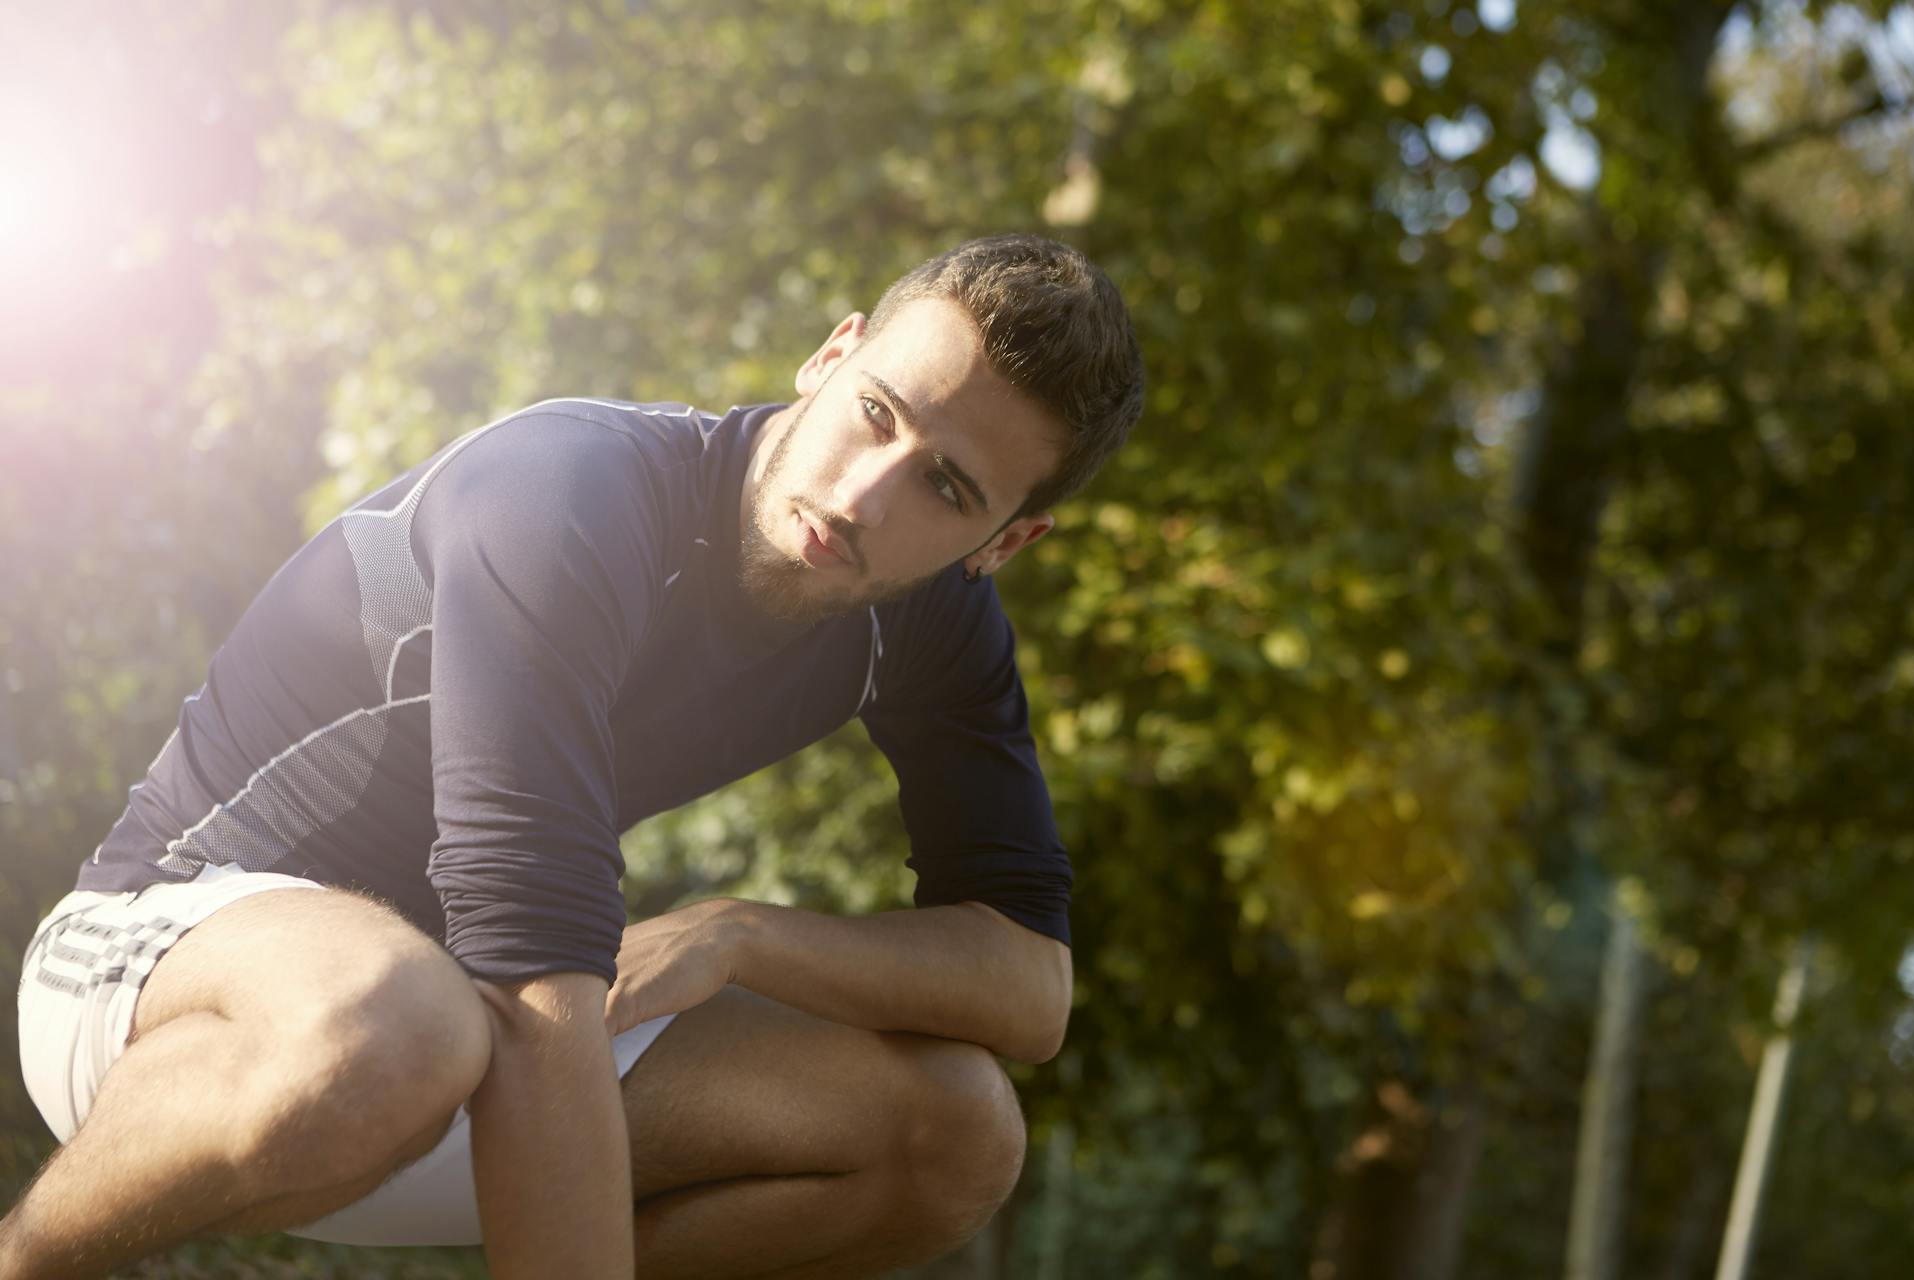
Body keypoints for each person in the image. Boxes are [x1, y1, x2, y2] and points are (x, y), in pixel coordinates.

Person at [4, 233, 1144, 1279]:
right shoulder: (572, 490)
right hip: (162, 975)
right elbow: (525, 948)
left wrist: (736, 932)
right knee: (403, 1023)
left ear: (1004, 541)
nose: (863, 492)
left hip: (463, 1042)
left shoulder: (931, 624)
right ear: (831, 355)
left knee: (955, 1129)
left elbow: (1027, 985)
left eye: (947, 487)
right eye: (879, 412)